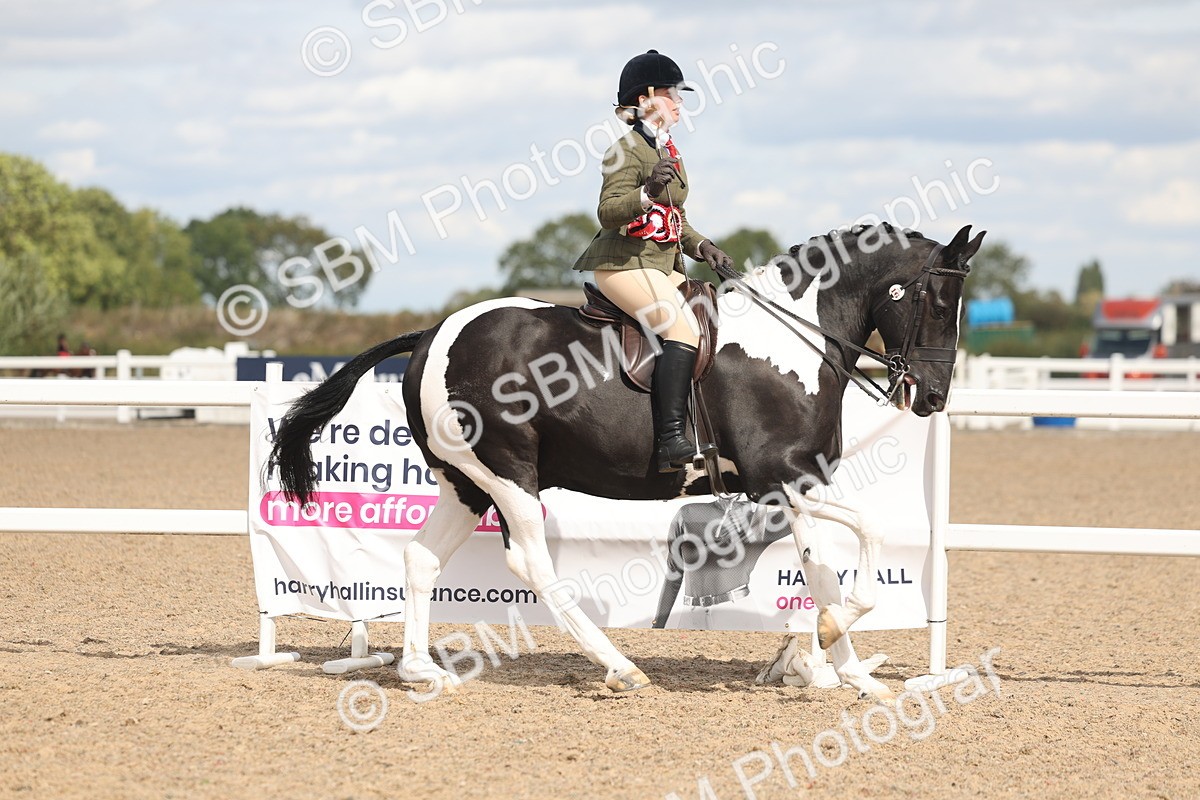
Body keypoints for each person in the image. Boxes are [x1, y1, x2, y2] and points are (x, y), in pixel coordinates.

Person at [573, 49, 733, 473]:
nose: (680, 103)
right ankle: (670, 441)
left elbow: (674, 218)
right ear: (646, 98)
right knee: (682, 328)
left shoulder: (670, 151)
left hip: (661, 267)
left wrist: (704, 248)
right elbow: (608, 212)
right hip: (622, 265)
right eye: (672, 94)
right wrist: (644, 193)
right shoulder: (624, 149)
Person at [652, 496, 792, 630]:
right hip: (691, 617)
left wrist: (761, 498)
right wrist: (656, 627)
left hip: (738, 615)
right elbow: (673, 576)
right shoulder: (687, 514)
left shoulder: (759, 521)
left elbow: (804, 511)